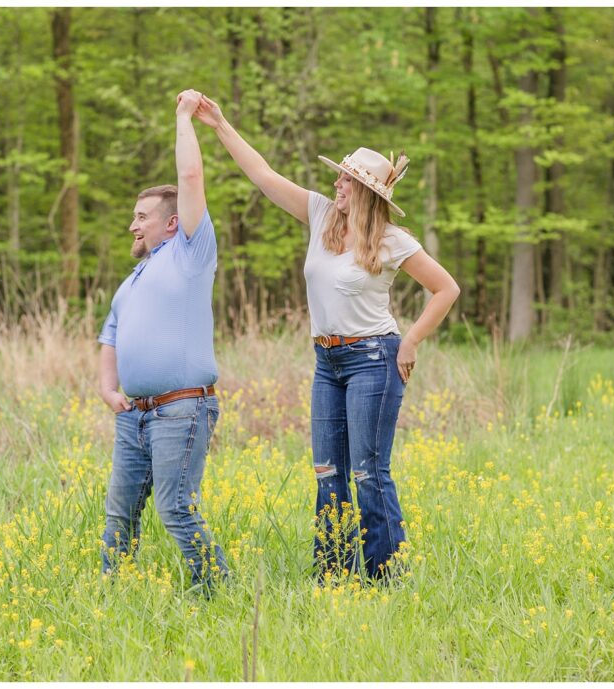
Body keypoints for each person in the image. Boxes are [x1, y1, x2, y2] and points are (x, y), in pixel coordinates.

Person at [193, 94, 460, 581]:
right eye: (340, 175)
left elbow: (446, 288)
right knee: (327, 473)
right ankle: (335, 578)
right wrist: (220, 124)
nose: (337, 182)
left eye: (346, 178)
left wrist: (413, 340)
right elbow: (263, 174)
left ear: (366, 191)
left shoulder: (392, 241)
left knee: (368, 473)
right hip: (327, 363)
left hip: (374, 360)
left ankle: (385, 578)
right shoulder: (320, 217)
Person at [97, 89, 226, 589]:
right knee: (118, 518)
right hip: (136, 414)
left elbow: (191, 177)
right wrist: (109, 390)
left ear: (172, 223)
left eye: (141, 216)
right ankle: (114, 597)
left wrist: (183, 118)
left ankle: (216, 593)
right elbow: (109, 335)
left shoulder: (190, 254)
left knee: (176, 510)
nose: (132, 223)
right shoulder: (133, 279)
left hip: (181, 409)